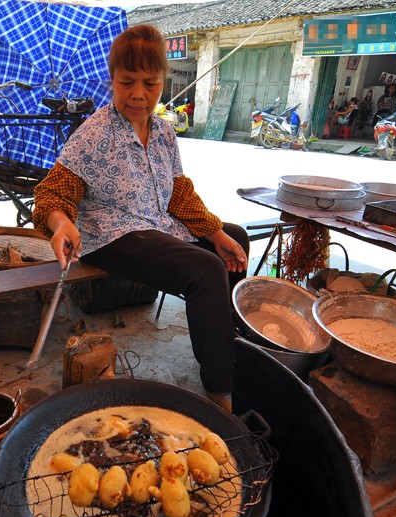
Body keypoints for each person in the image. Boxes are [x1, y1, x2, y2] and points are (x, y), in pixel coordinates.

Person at [32, 23, 249, 410]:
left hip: (153, 226)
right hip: (109, 235)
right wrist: (62, 223)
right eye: (127, 82)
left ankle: (231, 351)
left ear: (163, 80)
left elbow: (178, 192)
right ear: (112, 79)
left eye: (149, 83)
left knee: (235, 238)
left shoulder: (164, 132)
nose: (138, 94)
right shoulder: (94, 133)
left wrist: (215, 231)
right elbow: (52, 193)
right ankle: (222, 390)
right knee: (206, 269)